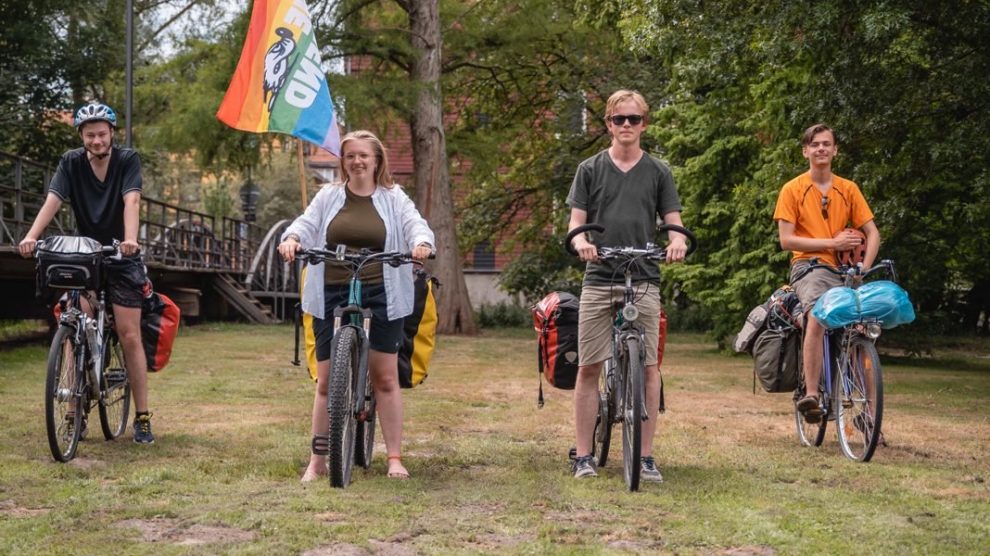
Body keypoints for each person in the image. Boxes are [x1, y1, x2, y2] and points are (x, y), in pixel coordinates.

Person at [278, 130, 435, 482]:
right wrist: (291, 238)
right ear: (343, 161)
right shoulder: (328, 195)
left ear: (377, 160)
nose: (357, 161)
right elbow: (306, 222)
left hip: (382, 289)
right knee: (325, 380)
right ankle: (317, 462)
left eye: (364, 155)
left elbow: (415, 224)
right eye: (350, 156)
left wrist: (421, 243)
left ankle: (394, 457)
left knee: (385, 378)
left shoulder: (393, 197)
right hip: (331, 288)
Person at [566, 90, 688, 482]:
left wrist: (677, 241)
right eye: (619, 119)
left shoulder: (658, 171)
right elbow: (575, 223)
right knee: (588, 366)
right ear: (608, 124)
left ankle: (646, 456)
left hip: (645, 274)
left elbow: (673, 222)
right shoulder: (589, 169)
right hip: (600, 275)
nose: (626, 126)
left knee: (650, 367)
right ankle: (584, 455)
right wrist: (582, 242)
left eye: (634, 119)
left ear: (644, 124)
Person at [19, 102, 156, 444]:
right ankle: (72, 413)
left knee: (129, 334)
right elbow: (53, 199)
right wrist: (32, 236)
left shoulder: (127, 160)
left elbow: (132, 200)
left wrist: (130, 240)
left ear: (112, 133)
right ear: (82, 136)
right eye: (90, 135)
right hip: (86, 257)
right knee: (73, 320)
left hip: (120, 255)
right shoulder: (70, 162)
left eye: (102, 134)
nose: (96, 140)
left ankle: (141, 417)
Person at [774, 123, 880, 423]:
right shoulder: (792, 189)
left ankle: (870, 416)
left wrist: (865, 266)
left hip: (845, 270)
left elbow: (872, 233)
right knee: (817, 314)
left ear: (835, 150)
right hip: (808, 266)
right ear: (805, 151)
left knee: (861, 331)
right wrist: (831, 243)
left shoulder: (848, 188)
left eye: (826, 144)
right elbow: (786, 240)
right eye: (814, 144)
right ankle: (812, 394)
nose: (821, 148)